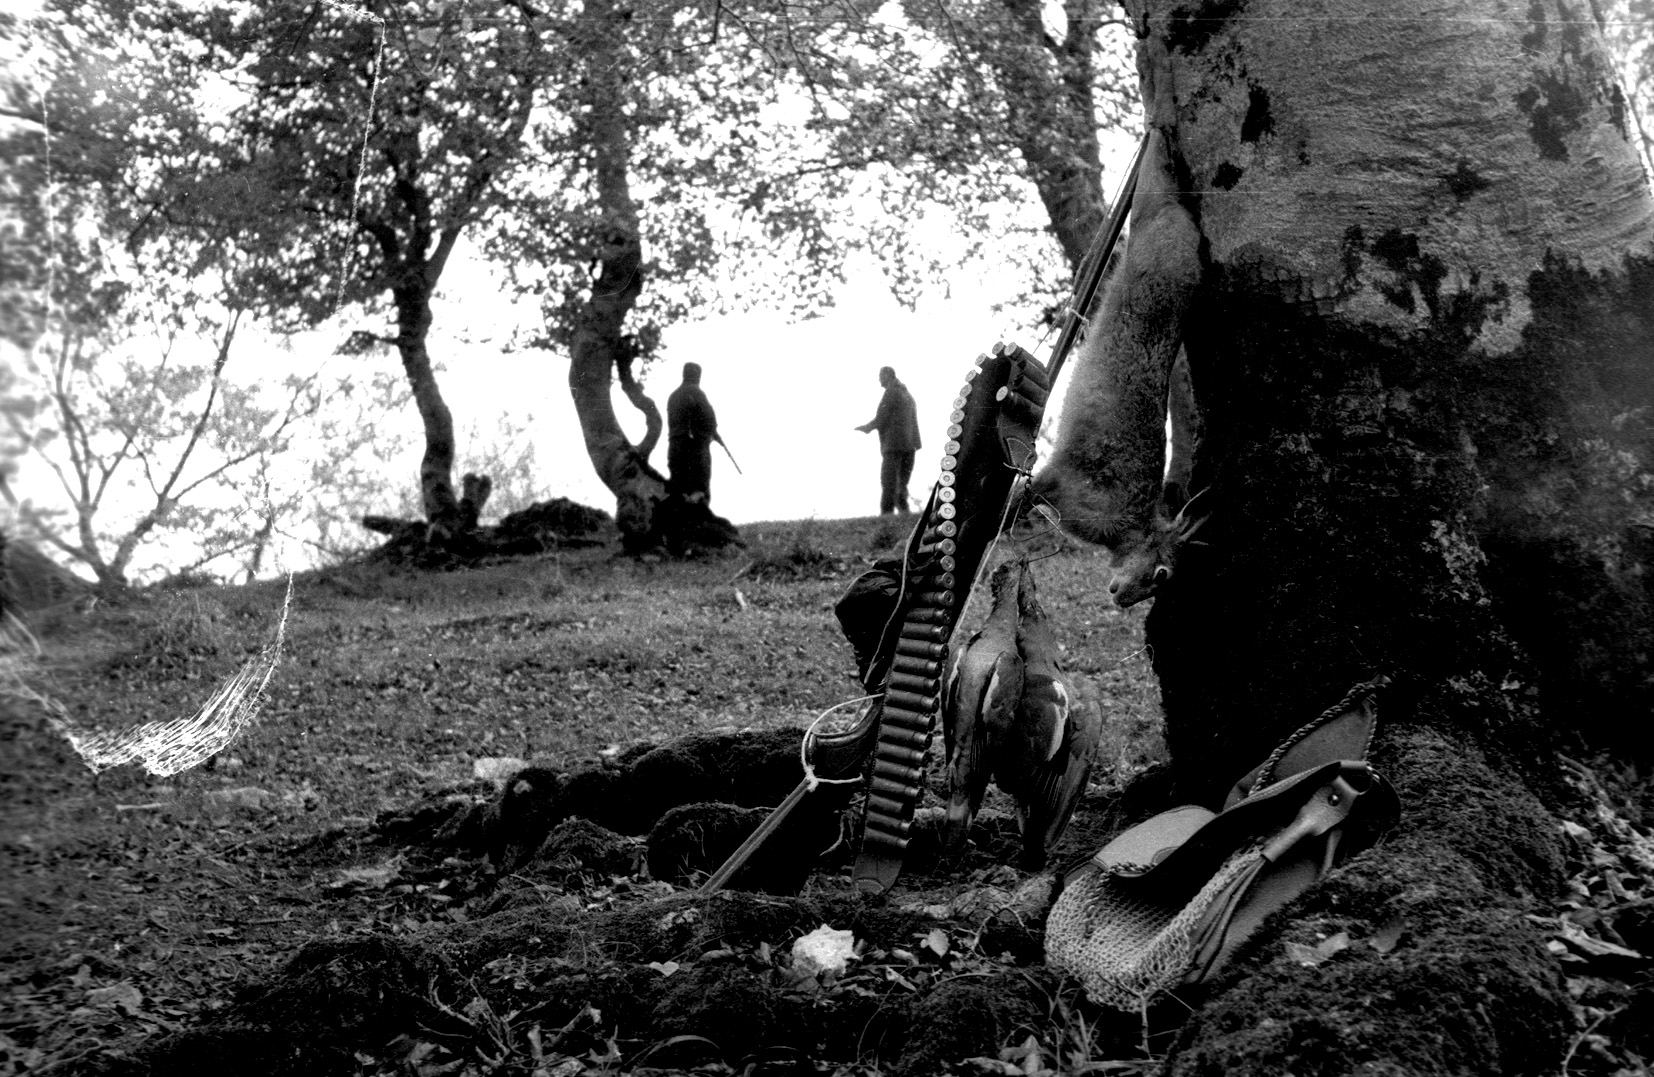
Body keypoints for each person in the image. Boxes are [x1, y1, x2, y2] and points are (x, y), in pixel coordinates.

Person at [856, 366, 922, 514]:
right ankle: (903, 511)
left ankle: (887, 513)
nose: (879, 379)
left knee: (888, 480)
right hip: (910, 445)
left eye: (881, 376)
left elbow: (882, 417)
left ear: (888, 375)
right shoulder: (907, 394)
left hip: (894, 445)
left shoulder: (891, 392)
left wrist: (867, 427)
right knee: (902, 482)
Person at [666, 362, 719, 503]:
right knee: (699, 493)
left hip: (675, 448)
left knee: (680, 491)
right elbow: (710, 420)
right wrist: (713, 433)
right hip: (695, 450)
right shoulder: (698, 393)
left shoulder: (673, 396)